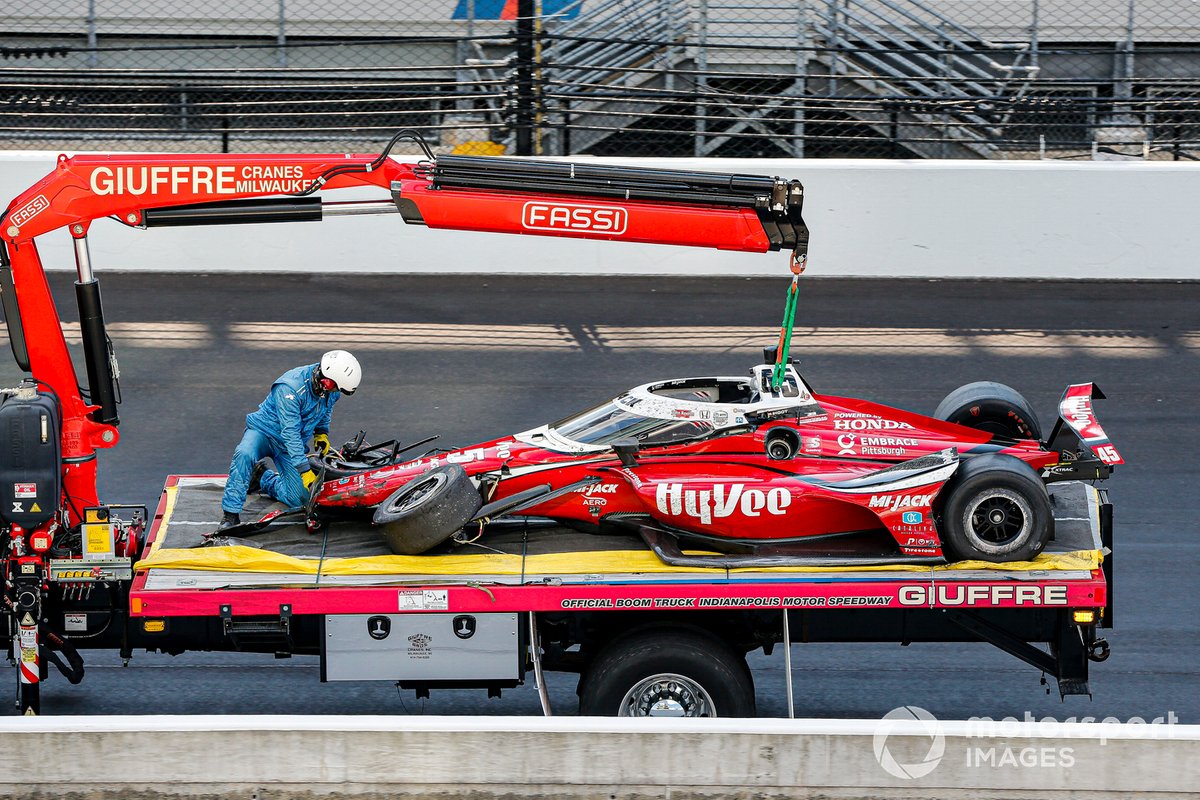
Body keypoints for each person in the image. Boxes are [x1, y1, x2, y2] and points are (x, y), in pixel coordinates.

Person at [218, 350, 361, 530]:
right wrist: (304, 470)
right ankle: (230, 515)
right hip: (264, 432)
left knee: (301, 500)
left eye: (337, 389)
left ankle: (262, 477)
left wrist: (321, 433)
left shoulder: (332, 390)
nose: (334, 391)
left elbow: (326, 409)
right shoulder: (290, 387)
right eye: (332, 387)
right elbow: (290, 432)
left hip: (288, 445)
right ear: (324, 377)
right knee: (244, 453)